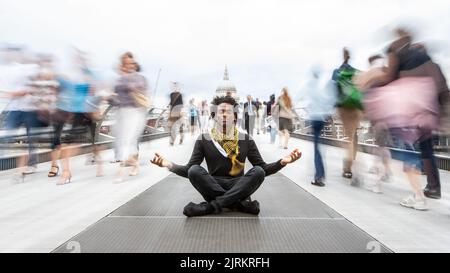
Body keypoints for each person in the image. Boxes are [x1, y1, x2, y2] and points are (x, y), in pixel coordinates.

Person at [150, 95, 301, 217]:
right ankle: (237, 203)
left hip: (239, 184)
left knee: (258, 172)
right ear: (214, 116)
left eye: (228, 112)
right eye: (221, 111)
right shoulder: (204, 139)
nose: (224, 114)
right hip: (214, 186)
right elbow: (189, 170)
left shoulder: (245, 139)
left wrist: (282, 162)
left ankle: (212, 207)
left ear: (235, 116)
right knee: (195, 170)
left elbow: (262, 168)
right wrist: (169, 165)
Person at [113, 52, 149, 182]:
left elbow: (138, 89)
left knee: (127, 141)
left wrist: (125, 79)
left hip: (136, 112)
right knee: (125, 141)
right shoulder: (119, 79)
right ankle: (135, 164)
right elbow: (116, 96)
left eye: (131, 63)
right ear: (123, 64)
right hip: (122, 112)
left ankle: (120, 171)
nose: (129, 65)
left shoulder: (139, 78)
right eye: (126, 63)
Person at [302, 67, 337, 187]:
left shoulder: (312, 85)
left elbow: (307, 100)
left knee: (317, 148)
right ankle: (320, 174)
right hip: (322, 118)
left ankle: (319, 177)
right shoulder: (328, 86)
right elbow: (330, 101)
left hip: (315, 119)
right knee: (319, 147)